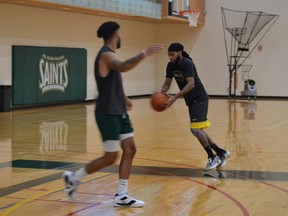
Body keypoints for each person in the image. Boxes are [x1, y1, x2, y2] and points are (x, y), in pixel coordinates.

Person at [63, 21, 163, 207]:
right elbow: (122, 66)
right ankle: (74, 178)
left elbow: (112, 80)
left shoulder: (110, 54)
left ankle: (122, 195)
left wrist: (123, 97)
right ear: (116, 33)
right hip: (107, 113)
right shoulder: (106, 55)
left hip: (119, 110)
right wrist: (144, 53)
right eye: (120, 32)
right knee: (110, 157)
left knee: (130, 149)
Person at [161, 42, 230, 171]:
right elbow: (167, 83)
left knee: (195, 130)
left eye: (172, 54)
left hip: (200, 98)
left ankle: (212, 156)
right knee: (198, 129)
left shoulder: (187, 63)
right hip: (191, 100)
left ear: (180, 53)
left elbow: (191, 84)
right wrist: (162, 93)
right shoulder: (170, 65)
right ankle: (220, 152)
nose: (170, 57)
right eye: (168, 55)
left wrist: (175, 97)